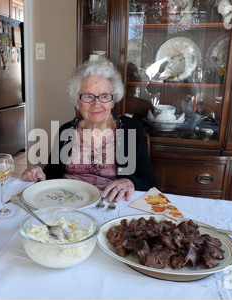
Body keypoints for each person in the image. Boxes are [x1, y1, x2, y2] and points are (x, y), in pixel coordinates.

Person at [22, 59, 157, 203]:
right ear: (77, 102)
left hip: (110, 203)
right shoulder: (66, 131)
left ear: (113, 101)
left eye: (104, 96)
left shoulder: (130, 129)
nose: (96, 104)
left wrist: (131, 182)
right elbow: (52, 174)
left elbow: (149, 181)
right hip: (66, 202)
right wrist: (40, 175)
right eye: (88, 96)